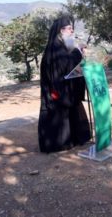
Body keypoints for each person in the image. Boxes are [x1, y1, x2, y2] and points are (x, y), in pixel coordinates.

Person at [38, 16, 91, 153]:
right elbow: (66, 65)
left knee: (72, 112)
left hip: (67, 88)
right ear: (61, 31)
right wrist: (78, 52)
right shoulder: (55, 48)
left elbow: (70, 63)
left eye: (72, 29)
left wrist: (78, 52)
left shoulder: (64, 46)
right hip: (57, 90)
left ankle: (73, 139)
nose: (72, 31)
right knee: (59, 115)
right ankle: (60, 144)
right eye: (69, 29)